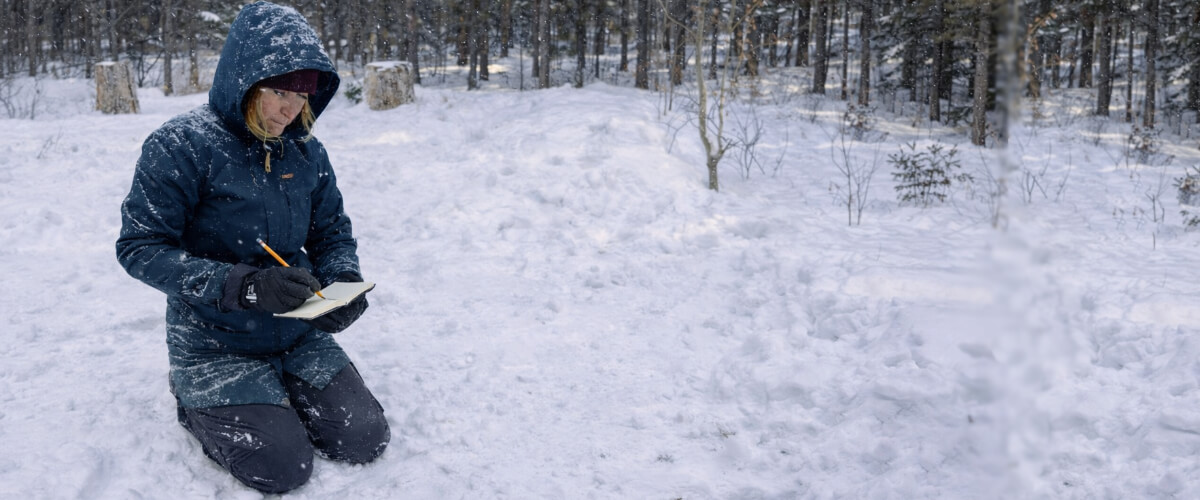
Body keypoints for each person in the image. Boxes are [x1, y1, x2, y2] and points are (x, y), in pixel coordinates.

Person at [115, 2, 388, 493]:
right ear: (244, 81)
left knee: (362, 438)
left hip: (295, 333)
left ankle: (276, 389)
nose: (291, 109)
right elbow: (140, 247)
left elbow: (331, 232)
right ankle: (195, 398)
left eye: (302, 94)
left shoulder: (305, 150)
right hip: (213, 340)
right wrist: (243, 286)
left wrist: (344, 283)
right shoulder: (181, 145)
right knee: (281, 467)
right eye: (279, 91)